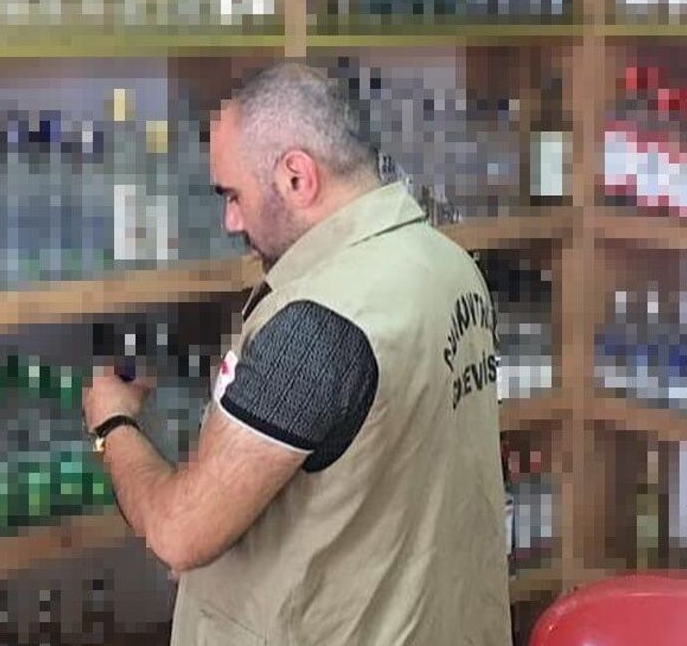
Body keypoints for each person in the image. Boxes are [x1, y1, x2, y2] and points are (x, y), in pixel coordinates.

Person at [81, 61, 512, 645]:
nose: (230, 220)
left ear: (296, 177)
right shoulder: (449, 264)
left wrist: (112, 423)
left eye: (234, 195)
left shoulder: (317, 324)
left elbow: (180, 532)